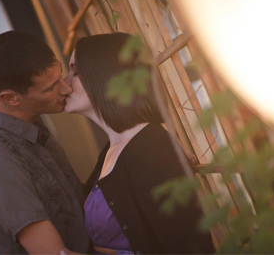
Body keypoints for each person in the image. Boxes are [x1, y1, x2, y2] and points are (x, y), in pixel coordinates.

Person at [64, 32, 214, 254]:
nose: (65, 83)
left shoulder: (150, 148)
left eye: (75, 71)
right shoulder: (111, 150)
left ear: (104, 74)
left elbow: (188, 246)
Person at [0, 30, 90, 254]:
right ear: (11, 98)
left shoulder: (32, 130)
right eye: (51, 87)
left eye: (60, 76)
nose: (66, 88)